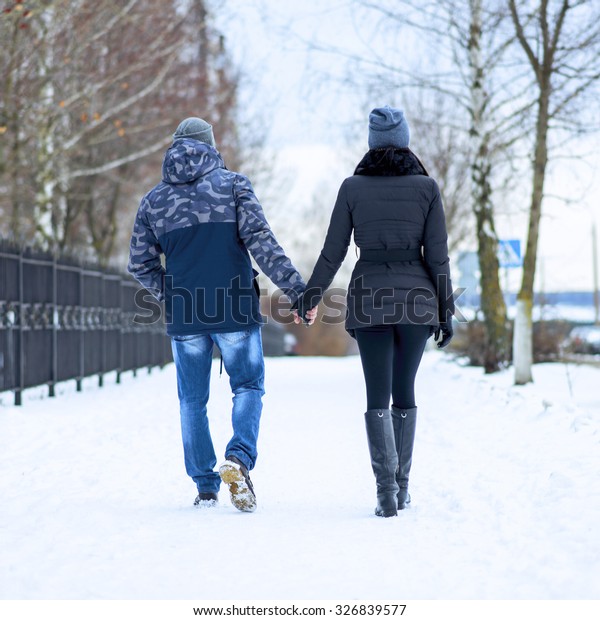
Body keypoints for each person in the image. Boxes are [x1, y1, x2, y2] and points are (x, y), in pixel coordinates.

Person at [128, 117, 312, 512]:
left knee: (191, 401)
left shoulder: (153, 201)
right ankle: (239, 459)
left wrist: (172, 294)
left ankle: (205, 485)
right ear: (211, 146)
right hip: (234, 310)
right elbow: (263, 244)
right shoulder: (233, 186)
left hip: (186, 317)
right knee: (247, 386)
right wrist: (297, 291)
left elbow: (140, 264)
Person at [295, 106, 455, 518]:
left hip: (369, 297)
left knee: (376, 395)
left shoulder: (352, 188)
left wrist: (309, 297)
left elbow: (333, 252)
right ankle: (401, 489)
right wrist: (445, 310)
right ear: (404, 140)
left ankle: (386, 492)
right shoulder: (427, 188)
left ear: (371, 142)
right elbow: (438, 257)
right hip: (418, 300)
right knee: (405, 392)